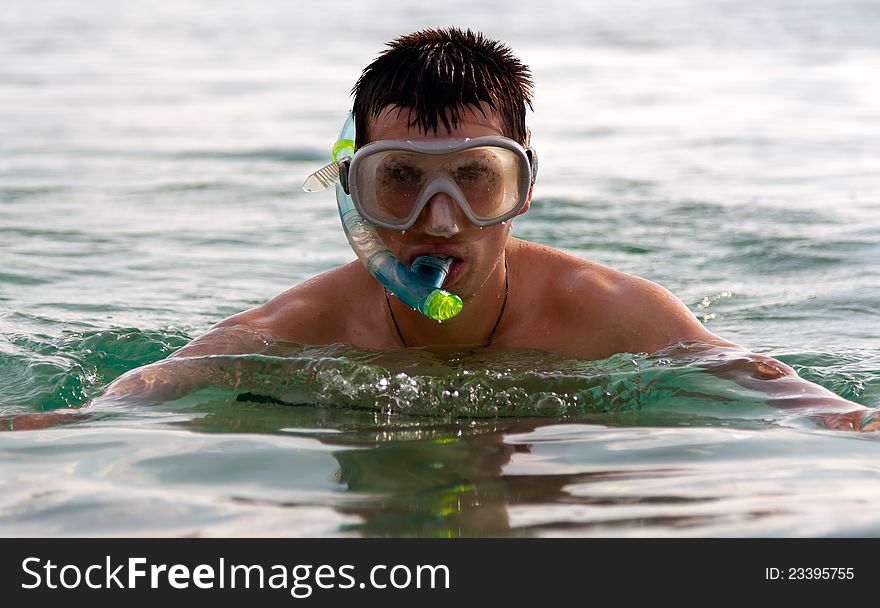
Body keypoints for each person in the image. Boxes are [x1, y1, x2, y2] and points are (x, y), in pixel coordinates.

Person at [97, 28, 877, 431]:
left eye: (477, 177)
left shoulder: (611, 312)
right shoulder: (305, 325)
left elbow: (775, 389)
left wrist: (849, 420)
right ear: (353, 200)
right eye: (398, 178)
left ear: (523, 189)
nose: (440, 220)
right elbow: (140, 394)